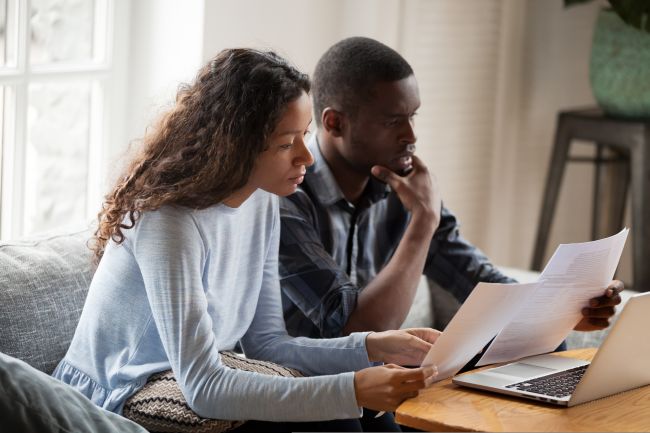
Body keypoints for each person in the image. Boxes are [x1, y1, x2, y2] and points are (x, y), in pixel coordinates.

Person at [51, 48, 440, 433]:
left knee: (374, 416)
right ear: (236, 144)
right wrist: (352, 388)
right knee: (338, 411)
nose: (306, 156)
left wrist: (374, 345)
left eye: (305, 136)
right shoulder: (168, 221)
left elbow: (268, 345)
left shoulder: (264, 202)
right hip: (121, 389)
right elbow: (203, 385)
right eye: (288, 143)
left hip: (196, 376)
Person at [278, 36, 623, 341]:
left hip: (378, 381)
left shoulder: (400, 187)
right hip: (308, 387)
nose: (410, 137)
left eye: (412, 117)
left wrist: (567, 309)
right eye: (393, 121)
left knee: (537, 344)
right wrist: (423, 220)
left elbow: (477, 280)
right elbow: (357, 331)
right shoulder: (287, 199)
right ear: (334, 123)